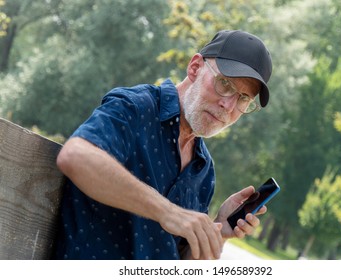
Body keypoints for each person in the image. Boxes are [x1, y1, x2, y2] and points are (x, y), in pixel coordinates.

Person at [53, 30, 273, 260]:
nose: (228, 105)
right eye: (225, 84)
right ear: (195, 67)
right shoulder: (136, 107)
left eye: (244, 98)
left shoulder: (203, 169)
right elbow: (75, 155)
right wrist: (167, 211)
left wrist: (218, 230)